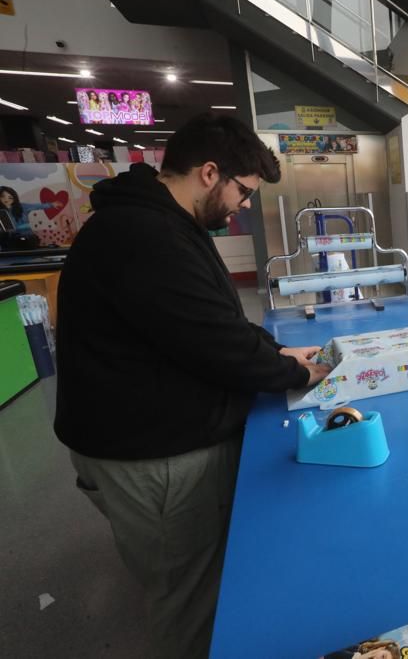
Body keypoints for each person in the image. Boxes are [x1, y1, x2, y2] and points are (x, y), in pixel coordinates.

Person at [54, 112, 331, 658]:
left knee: (192, 581)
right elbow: (216, 345)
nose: (244, 205)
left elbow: (207, 319)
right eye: (244, 191)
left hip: (141, 436)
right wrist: (298, 373)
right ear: (210, 173)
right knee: (190, 599)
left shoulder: (160, 221)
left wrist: (276, 349)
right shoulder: (146, 235)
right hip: (150, 458)